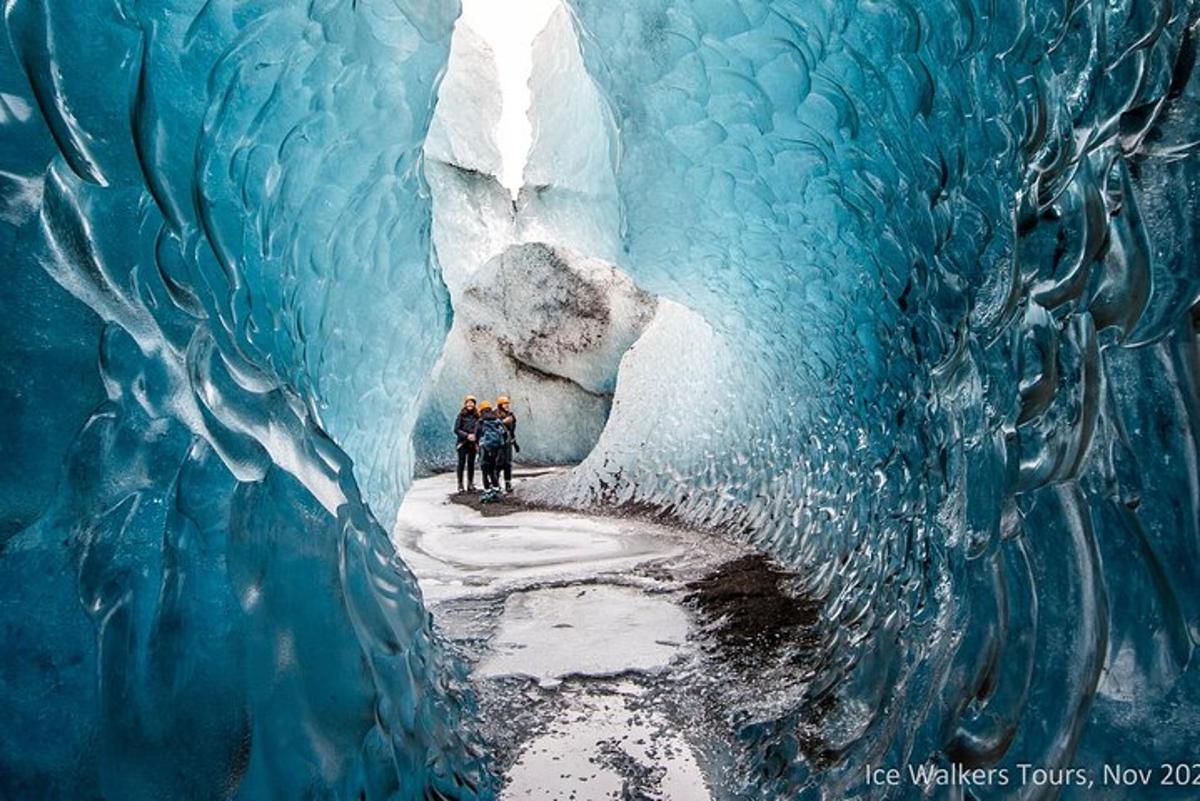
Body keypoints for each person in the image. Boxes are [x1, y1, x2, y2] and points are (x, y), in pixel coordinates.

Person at [476, 400, 508, 493]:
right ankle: (496, 487)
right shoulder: (496, 419)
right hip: (496, 446)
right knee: (492, 469)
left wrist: (477, 444)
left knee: (484, 469)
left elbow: (477, 434)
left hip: (485, 446)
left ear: (481, 410)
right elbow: (505, 432)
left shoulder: (481, 421)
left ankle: (487, 489)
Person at [453, 395, 479, 492]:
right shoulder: (461, 416)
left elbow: (480, 428)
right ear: (465, 404)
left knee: (471, 464)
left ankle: (470, 484)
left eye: (472, 402)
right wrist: (467, 436)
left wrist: (476, 436)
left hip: (472, 443)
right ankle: (460, 485)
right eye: (468, 402)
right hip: (463, 443)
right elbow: (456, 429)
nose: (470, 404)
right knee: (461, 463)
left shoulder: (477, 416)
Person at [496, 395, 518, 493]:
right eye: (504, 404)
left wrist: (515, 443)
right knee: (498, 462)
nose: (506, 405)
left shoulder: (511, 415)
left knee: (508, 463)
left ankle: (507, 483)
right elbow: (492, 425)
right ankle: (495, 482)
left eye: (507, 404)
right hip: (498, 442)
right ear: (500, 405)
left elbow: (512, 431)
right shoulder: (495, 414)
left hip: (508, 441)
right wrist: (503, 422)